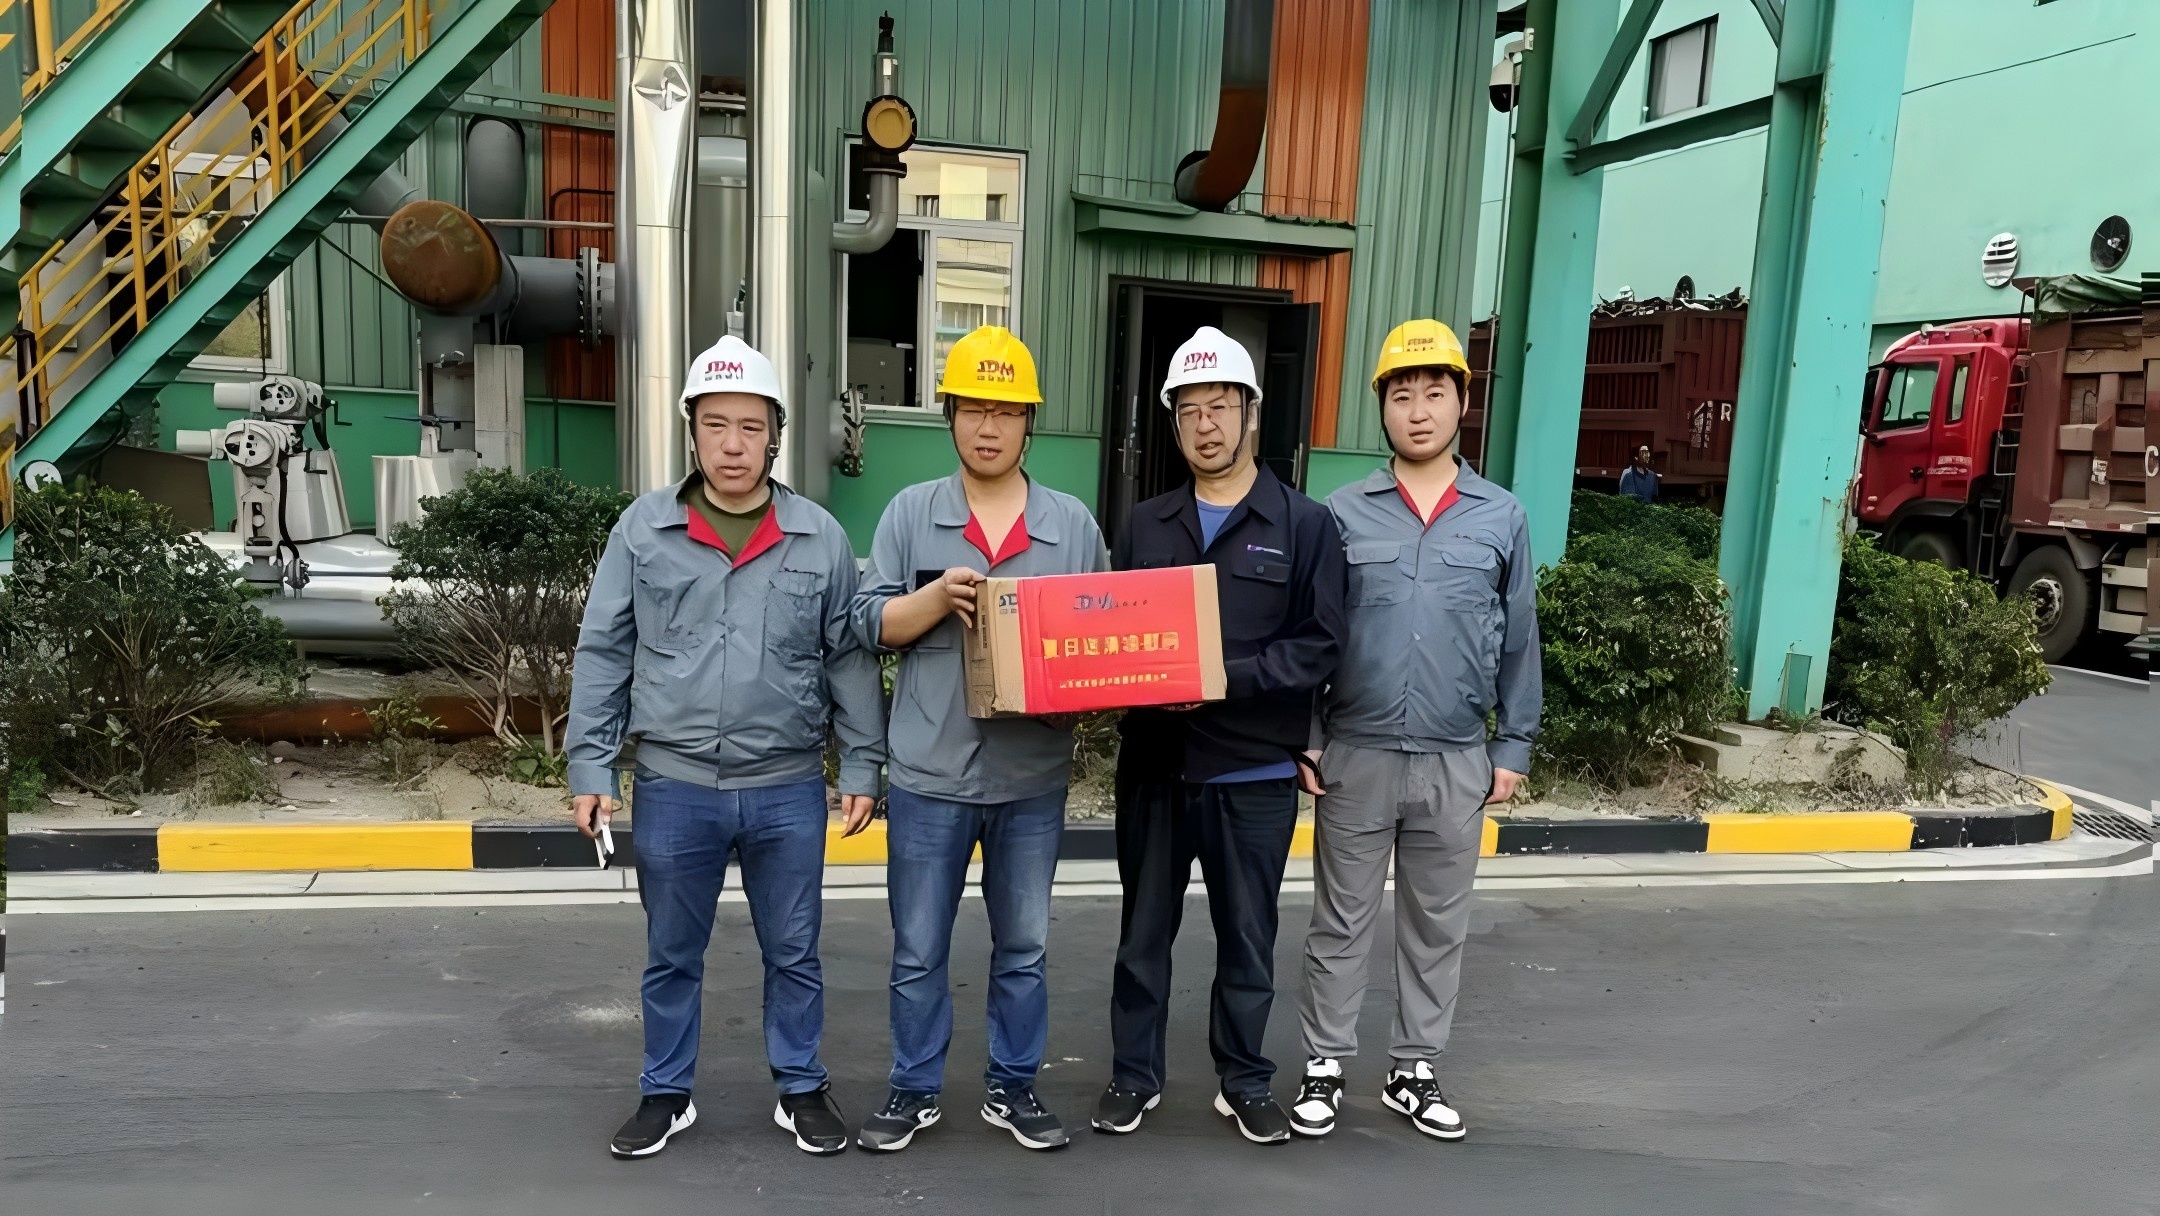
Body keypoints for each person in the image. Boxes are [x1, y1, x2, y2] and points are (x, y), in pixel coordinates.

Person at [566, 336, 886, 1159]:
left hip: (786, 786)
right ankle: (665, 1094)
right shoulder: (644, 530)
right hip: (674, 785)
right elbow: (603, 649)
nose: (733, 444)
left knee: (795, 951)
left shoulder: (817, 536)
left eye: (750, 427)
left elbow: (847, 657)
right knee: (671, 954)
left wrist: (862, 762)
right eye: (716, 426)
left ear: (774, 435)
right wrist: (591, 764)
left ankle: (801, 1087)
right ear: (693, 432)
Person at [850, 325, 1109, 1153]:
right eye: (972, 409)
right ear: (951, 417)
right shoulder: (911, 513)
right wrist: (933, 602)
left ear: (1029, 422)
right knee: (919, 949)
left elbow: (1102, 645)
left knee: (1024, 947)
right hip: (929, 779)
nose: (988, 427)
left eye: (1005, 411)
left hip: (1031, 781)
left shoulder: (1071, 527)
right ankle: (913, 1088)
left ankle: (1013, 1086)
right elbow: (866, 623)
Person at [1091, 325, 1347, 1146]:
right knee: (1142, 936)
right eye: (1189, 411)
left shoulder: (1304, 525)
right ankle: (1134, 1077)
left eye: (1220, 407)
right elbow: (1114, 636)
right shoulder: (1145, 524)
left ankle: (1244, 1081)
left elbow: (1320, 644)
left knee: (1247, 940)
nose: (1205, 425)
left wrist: (1221, 676)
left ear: (1251, 414)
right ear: (1174, 424)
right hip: (1156, 769)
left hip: (1252, 772)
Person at [1288, 319, 1541, 1143]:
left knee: (1437, 924)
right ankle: (1324, 1064)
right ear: (1383, 409)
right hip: (1355, 753)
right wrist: (1309, 732)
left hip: (1455, 757)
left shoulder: (1500, 516)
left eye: (1436, 393)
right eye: (1403, 395)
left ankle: (1413, 1069)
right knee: (1340, 921)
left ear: (1462, 403)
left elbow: (1519, 635)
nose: (1420, 410)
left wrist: (1513, 745)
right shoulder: (1341, 513)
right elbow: (1314, 631)